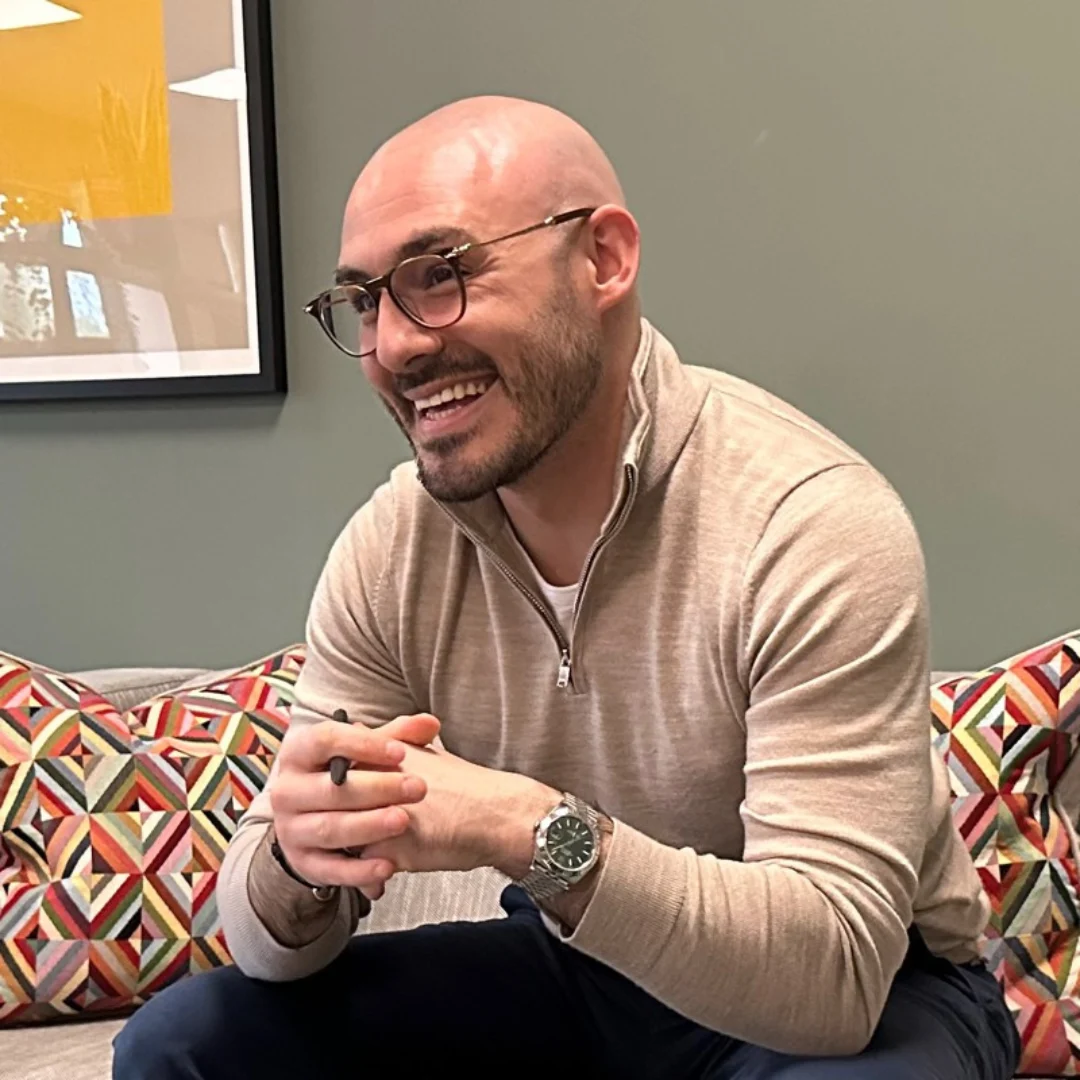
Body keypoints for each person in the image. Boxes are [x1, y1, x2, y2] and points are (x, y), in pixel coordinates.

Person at [113, 96, 1019, 1079]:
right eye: (366, 301)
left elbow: (831, 980)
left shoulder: (805, 520)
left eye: (440, 273)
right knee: (184, 1046)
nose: (396, 345)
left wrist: (522, 826)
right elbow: (266, 943)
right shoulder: (394, 549)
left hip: (872, 990)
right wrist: (297, 859)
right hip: (585, 967)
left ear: (604, 260)